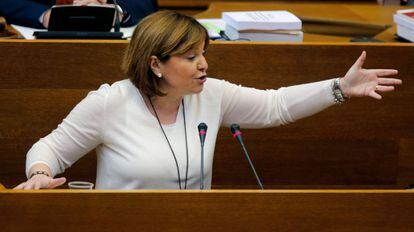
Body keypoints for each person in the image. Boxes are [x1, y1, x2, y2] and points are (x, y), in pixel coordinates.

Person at [14, 10, 402, 190]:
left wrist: (340, 87)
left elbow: (276, 106)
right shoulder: (110, 103)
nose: (203, 65)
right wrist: (41, 175)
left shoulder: (210, 95)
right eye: (190, 57)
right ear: (156, 64)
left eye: (203, 53)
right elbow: (48, 149)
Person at [0, 0, 157, 29]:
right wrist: (43, 14)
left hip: (113, 46)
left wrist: (118, 12)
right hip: (37, 40)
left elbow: (145, 3)